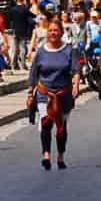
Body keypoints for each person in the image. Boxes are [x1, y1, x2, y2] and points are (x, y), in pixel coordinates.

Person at [29, 18, 79, 170]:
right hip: (45, 94)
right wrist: (30, 93)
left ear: (61, 33)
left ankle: (60, 156)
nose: (53, 33)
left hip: (63, 95)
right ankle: (46, 154)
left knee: (61, 126)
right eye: (50, 30)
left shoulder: (69, 50)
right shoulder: (41, 51)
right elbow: (33, 73)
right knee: (46, 122)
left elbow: (76, 70)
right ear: (47, 32)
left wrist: (76, 85)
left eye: (56, 30)